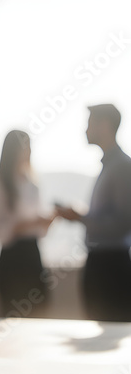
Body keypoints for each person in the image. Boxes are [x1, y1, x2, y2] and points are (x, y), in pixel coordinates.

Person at [56, 104, 131, 321]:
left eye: (89, 124)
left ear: (105, 126)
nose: (85, 130)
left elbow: (123, 223)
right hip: (102, 264)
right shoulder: (109, 166)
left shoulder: (122, 167)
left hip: (111, 267)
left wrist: (80, 217)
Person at [0, 130, 54, 318]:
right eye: (26, 147)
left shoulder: (32, 184)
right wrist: (22, 225)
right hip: (12, 260)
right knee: (13, 315)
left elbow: (39, 230)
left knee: (40, 314)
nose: (30, 152)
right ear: (14, 151)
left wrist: (46, 222)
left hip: (33, 256)